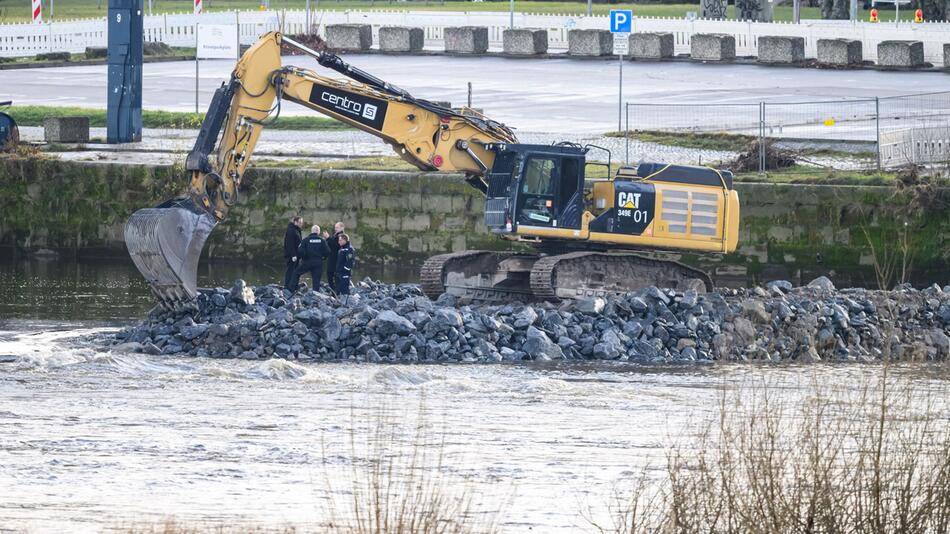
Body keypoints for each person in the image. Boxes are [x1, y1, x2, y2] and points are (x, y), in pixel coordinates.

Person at [295, 224, 330, 291]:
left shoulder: (306, 240)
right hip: (318, 262)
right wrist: (323, 258)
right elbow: (328, 251)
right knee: (316, 280)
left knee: (296, 273)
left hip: (307, 262)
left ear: (311, 231)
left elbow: (300, 251)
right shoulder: (322, 241)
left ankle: (291, 289)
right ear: (318, 232)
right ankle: (315, 294)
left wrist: (304, 258)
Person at [282, 216, 303, 291]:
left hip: (296, 255)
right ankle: (287, 286)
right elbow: (290, 244)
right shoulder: (291, 230)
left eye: (301, 223)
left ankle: (293, 285)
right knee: (290, 270)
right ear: (295, 222)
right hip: (292, 255)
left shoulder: (296, 230)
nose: (301, 224)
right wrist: (293, 255)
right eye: (300, 222)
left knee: (295, 270)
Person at [326, 221, 345, 287]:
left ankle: (335, 290)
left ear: (342, 228)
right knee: (330, 274)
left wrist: (328, 238)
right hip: (332, 257)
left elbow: (337, 245)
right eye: (335, 227)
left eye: (337, 227)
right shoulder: (336, 235)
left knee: (332, 274)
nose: (335, 229)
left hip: (336, 258)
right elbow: (331, 244)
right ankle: (333, 290)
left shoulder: (342, 236)